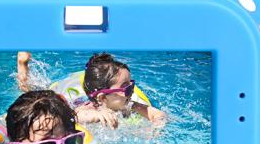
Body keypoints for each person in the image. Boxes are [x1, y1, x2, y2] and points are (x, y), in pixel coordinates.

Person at [17, 51, 166, 129]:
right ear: (102, 98)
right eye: (125, 88)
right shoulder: (87, 108)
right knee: (32, 98)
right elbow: (69, 118)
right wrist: (94, 116)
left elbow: (156, 114)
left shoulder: (128, 105)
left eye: (131, 85)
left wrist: (157, 125)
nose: (131, 91)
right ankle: (23, 67)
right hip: (71, 103)